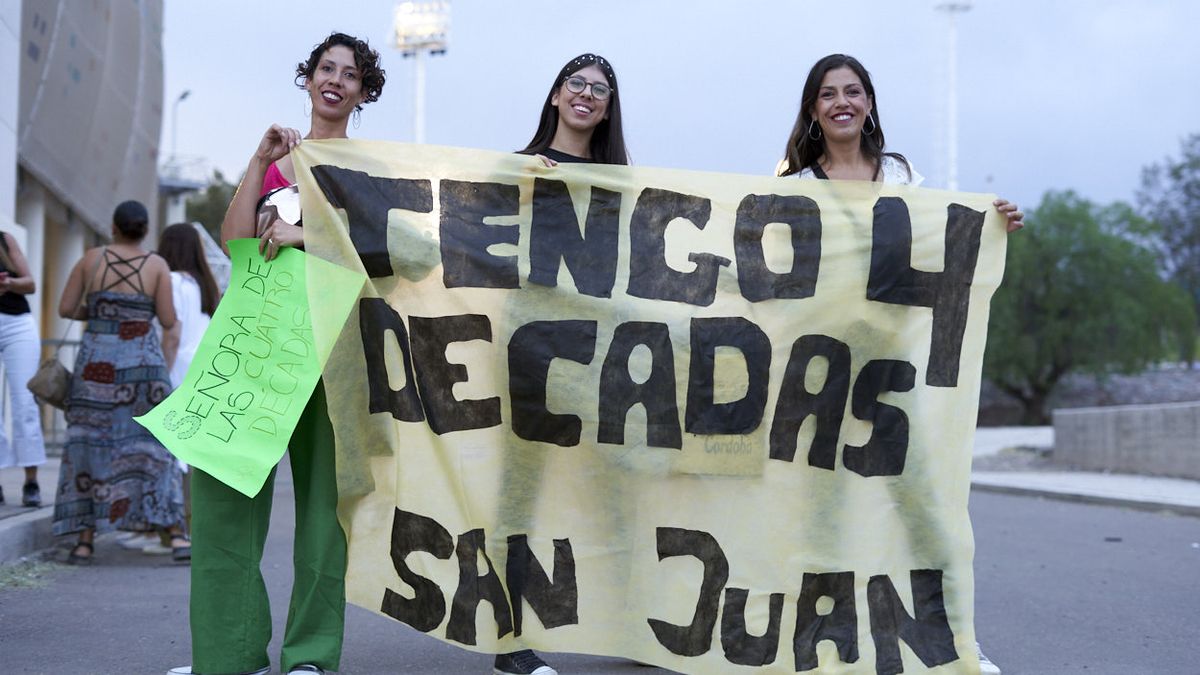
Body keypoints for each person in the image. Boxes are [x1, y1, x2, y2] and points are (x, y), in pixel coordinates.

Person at [779, 53, 1018, 675]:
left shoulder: (902, 176)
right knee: (822, 520)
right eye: (828, 94)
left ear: (868, 103)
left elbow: (939, 242)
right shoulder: (795, 189)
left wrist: (990, 226)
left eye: (852, 92)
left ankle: (955, 645)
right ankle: (819, 648)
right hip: (822, 377)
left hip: (894, 375)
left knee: (924, 515)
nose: (841, 103)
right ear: (813, 110)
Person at [169, 32, 385, 675]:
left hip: (331, 350)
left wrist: (303, 232)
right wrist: (256, 163)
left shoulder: (369, 168)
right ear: (308, 78)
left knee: (324, 513)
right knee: (223, 499)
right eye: (326, 68)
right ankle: (230, 654)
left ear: (362, 93)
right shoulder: (275, 163)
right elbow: (235, 242)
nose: (336, 80)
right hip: (257, 347)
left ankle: (311, 655)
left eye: (350, 74)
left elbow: (387, 253)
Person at [489, 52, 631, 675]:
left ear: (608, 106)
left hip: (604, 353)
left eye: (600, 89)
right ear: (554, 95)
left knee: (620, 491)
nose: (586, 95)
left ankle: (634, 631)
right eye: (576, 83)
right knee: (520, 496)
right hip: (529, 349)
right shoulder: (518, 168)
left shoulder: (622, 181)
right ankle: (508, 638)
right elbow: (460, 234)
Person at [51, 199, 188, 565]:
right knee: (154, 444)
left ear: (113, 227)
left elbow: (65, 308)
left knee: (88, 443)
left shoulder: (90, 260)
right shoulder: (156, 265)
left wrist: (99, 312)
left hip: (96, 361)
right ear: (145, 231)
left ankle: (84, 540)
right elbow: (168, 318)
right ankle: (175, 535)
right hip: (142, 365)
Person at [0, 231, 47, 507]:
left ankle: (31, 482)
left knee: (25, 402)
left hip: (17, 324)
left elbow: (30, 284)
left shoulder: (4, 240)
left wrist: (10, 283)